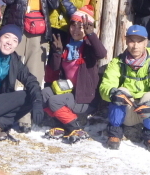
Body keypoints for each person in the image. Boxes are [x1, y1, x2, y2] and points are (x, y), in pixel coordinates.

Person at [1, 0, 60, 132]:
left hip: (39, 32)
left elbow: (54, 4)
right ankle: (5, 115)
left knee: (34, 75)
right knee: (10, 73)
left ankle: (25, 119)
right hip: (16, 29)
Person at [99, 25, 150, 151]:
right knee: (120, 92)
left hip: (148, 110)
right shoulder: (117, 62)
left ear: (146, 42)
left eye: (140, 41)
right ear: (126, 41)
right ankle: (115, 134)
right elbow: (106, 84)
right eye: (132, 41)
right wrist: (112, 93)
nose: (135, 45)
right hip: (128, 110)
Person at [43, 11, 107, 142]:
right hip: (68, 91)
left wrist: (91, 35)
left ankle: (75, 127)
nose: (76, 30)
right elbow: (55, 68)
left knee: (55, 101)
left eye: (80, 26)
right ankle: (62, 125)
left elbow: (101, 54)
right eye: (73, 25)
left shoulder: (89, 46)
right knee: (43, 94)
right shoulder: (66, 45)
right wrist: (57, 52)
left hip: (84, 98)